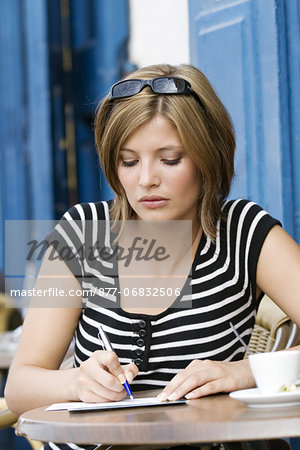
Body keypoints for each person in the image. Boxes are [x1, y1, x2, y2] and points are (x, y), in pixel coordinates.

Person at [5, 64, 300, 450]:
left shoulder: (243, 233)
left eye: (170, 159)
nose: (145, 180)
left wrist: (244, 373)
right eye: (129, 162)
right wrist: (77, 382)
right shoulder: (82, 233)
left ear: (208, 158)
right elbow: (21, 386)